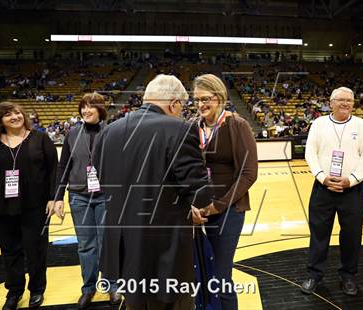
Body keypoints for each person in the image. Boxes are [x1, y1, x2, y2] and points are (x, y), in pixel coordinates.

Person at [94, 74, 214, 310]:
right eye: (182, 107)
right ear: (174, 103)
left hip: (125, 246)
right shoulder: (179, 129)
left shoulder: (110, 131)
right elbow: (199, 193)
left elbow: (103, 179)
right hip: (164, 250)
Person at [0, 102, 58, 309]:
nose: (14, 117)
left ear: (23, 115)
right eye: (8, 115)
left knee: (36, 250)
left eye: (17, 113)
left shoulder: (40, 139)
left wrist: (54, 197)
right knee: (10, 251)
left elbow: (54, 171)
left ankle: (37, 290)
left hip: (35, 207)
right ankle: (14, 291)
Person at [301, 87, 363, 296]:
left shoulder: (361, 125)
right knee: (319, 232)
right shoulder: (319, 124)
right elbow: (310, 153)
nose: (345, 103)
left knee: (352, 234)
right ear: (331, 102)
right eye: (341, 100)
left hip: (352, 189)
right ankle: (314, 275)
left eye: (349, 100)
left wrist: (350, 180)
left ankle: (348, 276)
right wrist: (322, 177)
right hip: (323, 187)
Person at [192, 74, 258, 310]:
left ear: (219, 98)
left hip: (228, 213)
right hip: (197, 213)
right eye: (197, 100)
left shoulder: (237, 125)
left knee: (220, 278)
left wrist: (218, 205)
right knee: (201, 276)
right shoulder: (193, 125)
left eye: (206, 99)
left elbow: (249, 173)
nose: (201, 105)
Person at [52, 92, 120, 309]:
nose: (86, 110)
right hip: (79, 196)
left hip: (105, 196)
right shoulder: (72, 133)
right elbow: (63, 167)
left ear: (100, 109)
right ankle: (88, 288)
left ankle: (112, 285)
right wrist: (58, 197)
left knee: (106, 243)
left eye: (91, 106)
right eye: (83, 107)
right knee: (85, 245)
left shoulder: (112, 132)